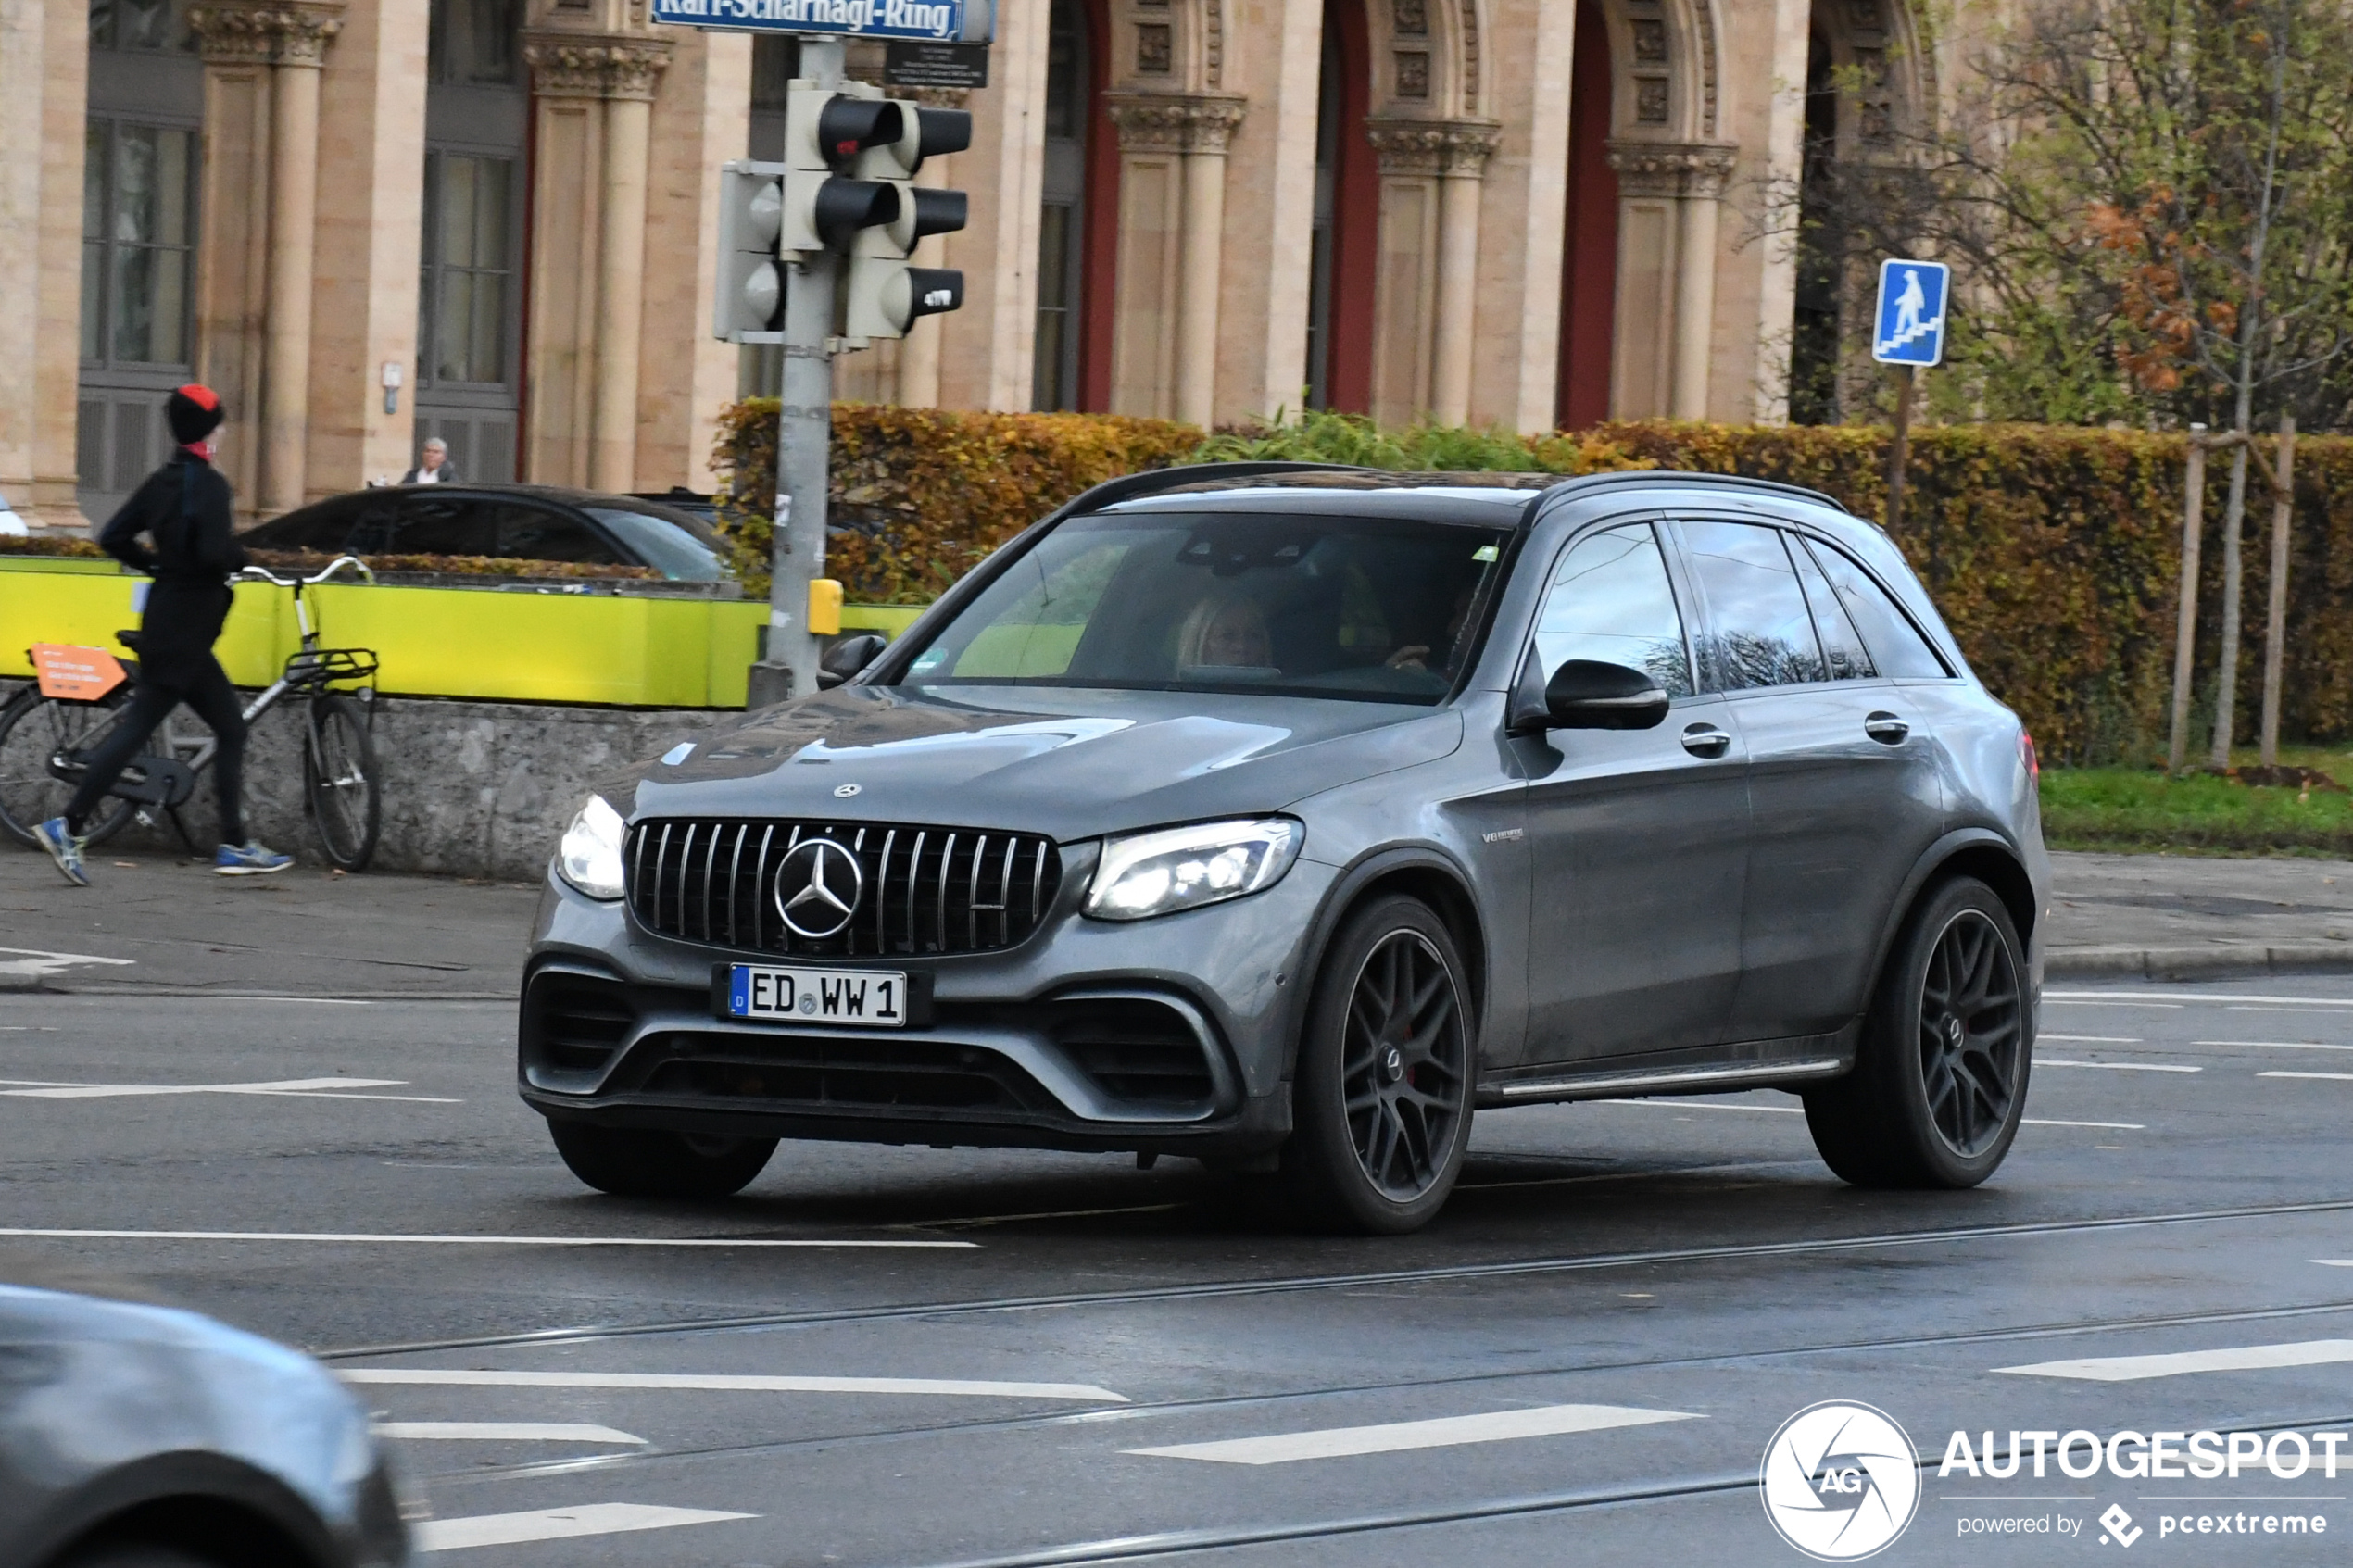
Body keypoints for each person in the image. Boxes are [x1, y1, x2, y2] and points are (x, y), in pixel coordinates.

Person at [33, 385, 294, 884]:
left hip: (168, 619)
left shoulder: (162, 481)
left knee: (226, 728)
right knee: (143, 728)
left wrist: (157, 563)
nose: (221, 430)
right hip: (188, 629)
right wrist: (248, 561)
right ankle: (72, 824)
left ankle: (232, 843)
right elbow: (217, 553)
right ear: (209, 430)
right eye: (218, 423)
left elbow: (112, 537)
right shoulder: (211, 486)